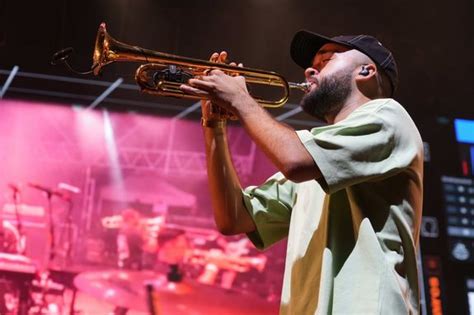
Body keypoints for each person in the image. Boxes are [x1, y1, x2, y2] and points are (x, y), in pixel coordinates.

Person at [180, 30, 423, 314]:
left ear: (366, 71)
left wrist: (240, 99)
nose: (309, 69)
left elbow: (293, 160)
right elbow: (234, 219)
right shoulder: (320, 156)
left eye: (326, 61)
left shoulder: (388, 116)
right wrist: (214, 126)